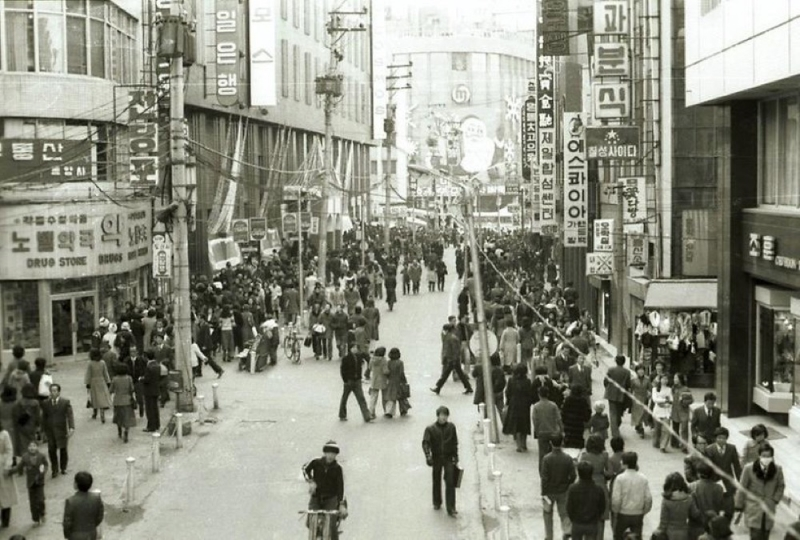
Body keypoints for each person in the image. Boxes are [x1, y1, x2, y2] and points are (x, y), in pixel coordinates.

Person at [734, 442, 785, 540]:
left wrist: (775, 499)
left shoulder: (777, 469)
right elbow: (742, 488)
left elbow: (780, 486)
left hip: (769, 508)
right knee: (755, 536)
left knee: (766, 535)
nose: (766, 458)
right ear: (759, 456)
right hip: (753, 509)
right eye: (764, 456)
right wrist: (739, 506)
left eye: (769, 456)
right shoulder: (749, 468)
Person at [303, 441, 346, 540]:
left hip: (331, 499)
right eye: (328, 453)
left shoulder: (338, 469)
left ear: (336, 455)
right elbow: (305, 469)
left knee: (331, 527)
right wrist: (311, 481)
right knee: (310, 522)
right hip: (316, 497)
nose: (331, 456)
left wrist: (341, 504)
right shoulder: (316, 462)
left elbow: (340, 488)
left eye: (334, 454)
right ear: (324, 453)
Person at [422, 406, 460, 517]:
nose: (443, 418)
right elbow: (425, 443)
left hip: (448, 457)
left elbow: (454, 442)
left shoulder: (451, 427)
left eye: (445, 415)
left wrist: (455, 456)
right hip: (437, 457)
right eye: (442, 415)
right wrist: (428, 456)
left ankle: (451, 507)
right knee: (436, 479)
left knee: (450, 482)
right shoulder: (430, 429)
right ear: (437, 416)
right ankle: (437, 502)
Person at [541, 433, 576, 540]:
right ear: (562, 443)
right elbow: (573, 475)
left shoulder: (546, 459)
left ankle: (549, 536)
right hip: (563, 490)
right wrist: (568, 484)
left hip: (549, 491)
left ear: (551, 443)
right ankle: (567, 532)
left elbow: (544, 477)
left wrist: (544, 492)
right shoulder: (568, 459)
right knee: (564, 514)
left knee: (547, 513)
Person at [610, 452, 652, 540]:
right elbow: (648, 498)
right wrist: (644, 511)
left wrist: (616, 511)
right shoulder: (643, 478)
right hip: (638, 514)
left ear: (625, 464)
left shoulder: (620, 478)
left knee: (619, 536)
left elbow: (616, 499)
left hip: (623, 513)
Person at [578, 434, 612, 540]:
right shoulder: (604, 456)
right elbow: (610, 473)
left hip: (586, 486)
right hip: (601, 486)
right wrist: (603, 475)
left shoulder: (584, 456)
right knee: (600, 518)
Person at [705, 427, 741, 519]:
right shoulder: (709, 449)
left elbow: (736, 466)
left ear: (727, 438)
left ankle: (726, 521)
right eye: (719, 437)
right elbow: (707, 468)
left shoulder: (732, 448)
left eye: (724, 438)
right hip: (715, 481)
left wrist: (740, 480)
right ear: (715, 438)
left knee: (729, 507)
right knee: (715, 505)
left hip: (728, 481)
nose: (721, 440)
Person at [567, 460, 607, 540]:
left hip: (577, 522)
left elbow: (569, 507)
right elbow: (602, 506)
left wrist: (573, 519)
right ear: (591, 473)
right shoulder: (598, 489)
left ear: (579, 473)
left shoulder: (572, 488)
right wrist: (597, 517)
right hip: (592, 523)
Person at [41, 384, 74, 478]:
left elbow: (70, 415)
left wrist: (71, 427)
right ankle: (54, 469)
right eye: (51, 391)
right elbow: (43, 417)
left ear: (59, 392)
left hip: (61, 429)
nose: (53, 393)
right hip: (50, 430)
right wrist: (43, 430)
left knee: (63, 449)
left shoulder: (65, 402)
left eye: (55, 391)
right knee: (51, 450)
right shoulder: (46, 403)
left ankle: (63, 468)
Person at [12, 440, 48, 526]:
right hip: (30, 483)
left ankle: (42, 513)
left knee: (40, 500)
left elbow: (45, 465)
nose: (32, 448)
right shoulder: (25, 457)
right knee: (32, 502)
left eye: (34, 446)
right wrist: (11, 471)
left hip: (39, 482)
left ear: (37, 447)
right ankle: (35, 519)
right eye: (30, 446)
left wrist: (42, 473)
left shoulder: (42, 456)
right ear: (28, 448)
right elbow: (19, 467)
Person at [430, 324, 473, 396]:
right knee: (460, 374)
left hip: (452, 360)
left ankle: (438, 387)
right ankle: (468, 387)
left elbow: (455, 350)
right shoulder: (450, 337)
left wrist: (453, 359)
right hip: (452, 359)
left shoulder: (451, 338)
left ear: (446, 330)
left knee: (445, 375)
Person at [62, 471, 104, 540]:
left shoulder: (71, 501)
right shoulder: (96, 498)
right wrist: (92, 526)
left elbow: (67, 522)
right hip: (91, 533)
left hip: (75, 535)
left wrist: (67, 535)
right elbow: (99, 516)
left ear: (76, 484)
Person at [688, 462, 725, 540]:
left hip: (695, 527)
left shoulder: (691, 487)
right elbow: (721, 506)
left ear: (698, 473)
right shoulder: (719, 488)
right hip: (712, 528)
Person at [339, 338, 372, 423]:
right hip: (349, 381)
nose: (356, 349)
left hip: (357, 381)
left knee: (361, 398)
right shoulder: (346, 358)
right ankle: (342, 414)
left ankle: (367, 416)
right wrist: (345, 380)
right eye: (354, 348)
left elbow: (367, 357)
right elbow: (343, 370)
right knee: (345, 398)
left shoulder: (359, 356)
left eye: (356, 348)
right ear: (350, 349)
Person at [503, 363, 534, 452]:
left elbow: (508, 393)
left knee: (516, 425)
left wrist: (508, 403)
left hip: (514, 404)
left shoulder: (511, 380)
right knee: (524, 424)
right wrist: (529, 402)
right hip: (524, 405)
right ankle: (524, 444)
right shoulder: (527, 381)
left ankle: (518, 445)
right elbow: (530, 393)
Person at [532, 387, 564, 471]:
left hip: (542, 432)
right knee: (554, 453)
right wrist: (561, 430)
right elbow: (559, 419)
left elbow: (535, 420)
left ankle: (543, 472)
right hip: (553, 433)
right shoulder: (553, 405)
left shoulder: (536, 406)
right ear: (548, 394)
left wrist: (536, 431)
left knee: (542, 455)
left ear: (539, 394)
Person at [658, 472, 695, 540]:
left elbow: (663, 521)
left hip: (670, 533)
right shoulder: (689, 498)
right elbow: (694, 514)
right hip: (684, 532)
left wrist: (659, 532)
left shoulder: (666, 500)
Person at [604, 355, 631, 439]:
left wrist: (608, 388)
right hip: (621, 395)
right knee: (619, 413)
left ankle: (614, 433)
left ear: (616, 361)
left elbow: (606, 381)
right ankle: (616, 428)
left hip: (611, 394)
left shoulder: (611, 370)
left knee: (613, 413)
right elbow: (628, 384)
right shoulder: (627, 372)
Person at [109, 364, 136, 443]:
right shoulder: (129, 378)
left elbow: (111, 390)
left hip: (117, 401)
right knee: (127, 417)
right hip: (127, 400)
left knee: (118, 417)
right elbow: (132, 389)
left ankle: (119, 430)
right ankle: (126, 431)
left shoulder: (114, 379)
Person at [13, 384, 41, 459]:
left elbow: (16, 415)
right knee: (32, 443)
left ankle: (25, 461)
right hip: (31, 426)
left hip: (22, 426)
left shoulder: (18, 402)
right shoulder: (35, 403)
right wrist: (38, 426)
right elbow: (38, 416)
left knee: (23, 445)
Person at [84, 349, 112, 424]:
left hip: (93, 382)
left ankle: (95, 413)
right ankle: (102, 415)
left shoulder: (90, 363)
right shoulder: (102, 362)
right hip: (101, 381)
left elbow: (88, 374)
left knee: (94, 398)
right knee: (102, 398)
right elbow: (105, 372)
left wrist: (87, 383)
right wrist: (108, 381)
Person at [0, 420, 19, 528]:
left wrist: (8, 465)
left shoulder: (4, 434)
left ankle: (5, 519)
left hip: (1, 466)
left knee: (5, 494)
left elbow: (9, 450)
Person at [562, 384, 591, 450]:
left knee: (568, 442)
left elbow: (563, 412)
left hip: (569, 425)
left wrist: (564, 421)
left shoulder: (568, 400)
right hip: (579, 426)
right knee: (578, 442)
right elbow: (587, 414)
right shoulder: (583, 401)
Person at [384, 348, 410, 417]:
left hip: (391, 381)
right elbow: (401, 373)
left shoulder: (388, 362)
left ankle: (389, 412)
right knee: (401, 397)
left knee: (391, 398)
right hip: (399, 382)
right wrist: (404, 381)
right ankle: (403, 410)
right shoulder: (400, 362)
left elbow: (387, 372)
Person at [671, 373, 693, 452]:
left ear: (680, 379)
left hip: (683, 411)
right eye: (674, 378)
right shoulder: (673, 388)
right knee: (675, 428)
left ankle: (684, 446)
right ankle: (675, 443)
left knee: (684, 429)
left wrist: (683, 402)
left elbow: (691, 400)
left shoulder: (686, 389)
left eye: (676, 378)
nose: (674, 380)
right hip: (674, 411)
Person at [141, 351, 162, 432]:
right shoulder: (157, 365)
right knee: (155, 408)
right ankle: (157, 424)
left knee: (149, 409)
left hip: (149, 391)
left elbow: (147, 379)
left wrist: (141, 379)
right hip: (156, 389)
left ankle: (151, 426)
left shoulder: (149, 367)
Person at [651, 374, 673, 452]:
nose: (665, 381)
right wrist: (664, 400)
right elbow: (654, 399)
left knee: (666, 430)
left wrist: (666, 402)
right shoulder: (655, 389)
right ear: (660, 380)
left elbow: (671, 400)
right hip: (657, 411)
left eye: (666, 379)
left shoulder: (669, 389)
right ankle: (657, 442)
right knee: (657, 429)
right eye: (663, 379)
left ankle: (663, 446)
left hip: (666, 411)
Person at [630, 364, 651, 438]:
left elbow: (650, 388)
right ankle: (640, 427)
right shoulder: (633, 379)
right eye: (639, 370)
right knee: (637, 413)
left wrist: (649, 393)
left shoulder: (647, 379)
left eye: (642, 370)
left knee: (643, 413)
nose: (641, 371)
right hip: (636, 398)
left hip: (645, 398)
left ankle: (639, 426)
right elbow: (630, 389)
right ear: (636, 371)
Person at [367, 347, 389, 419]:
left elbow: (369, 368)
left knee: (373, 397)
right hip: (383, 380)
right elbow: (385, 371)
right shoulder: (383, 360)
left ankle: (371, 412)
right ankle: (386, 411)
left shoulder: (372, 359)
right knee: (385, 397)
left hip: (374, 380)